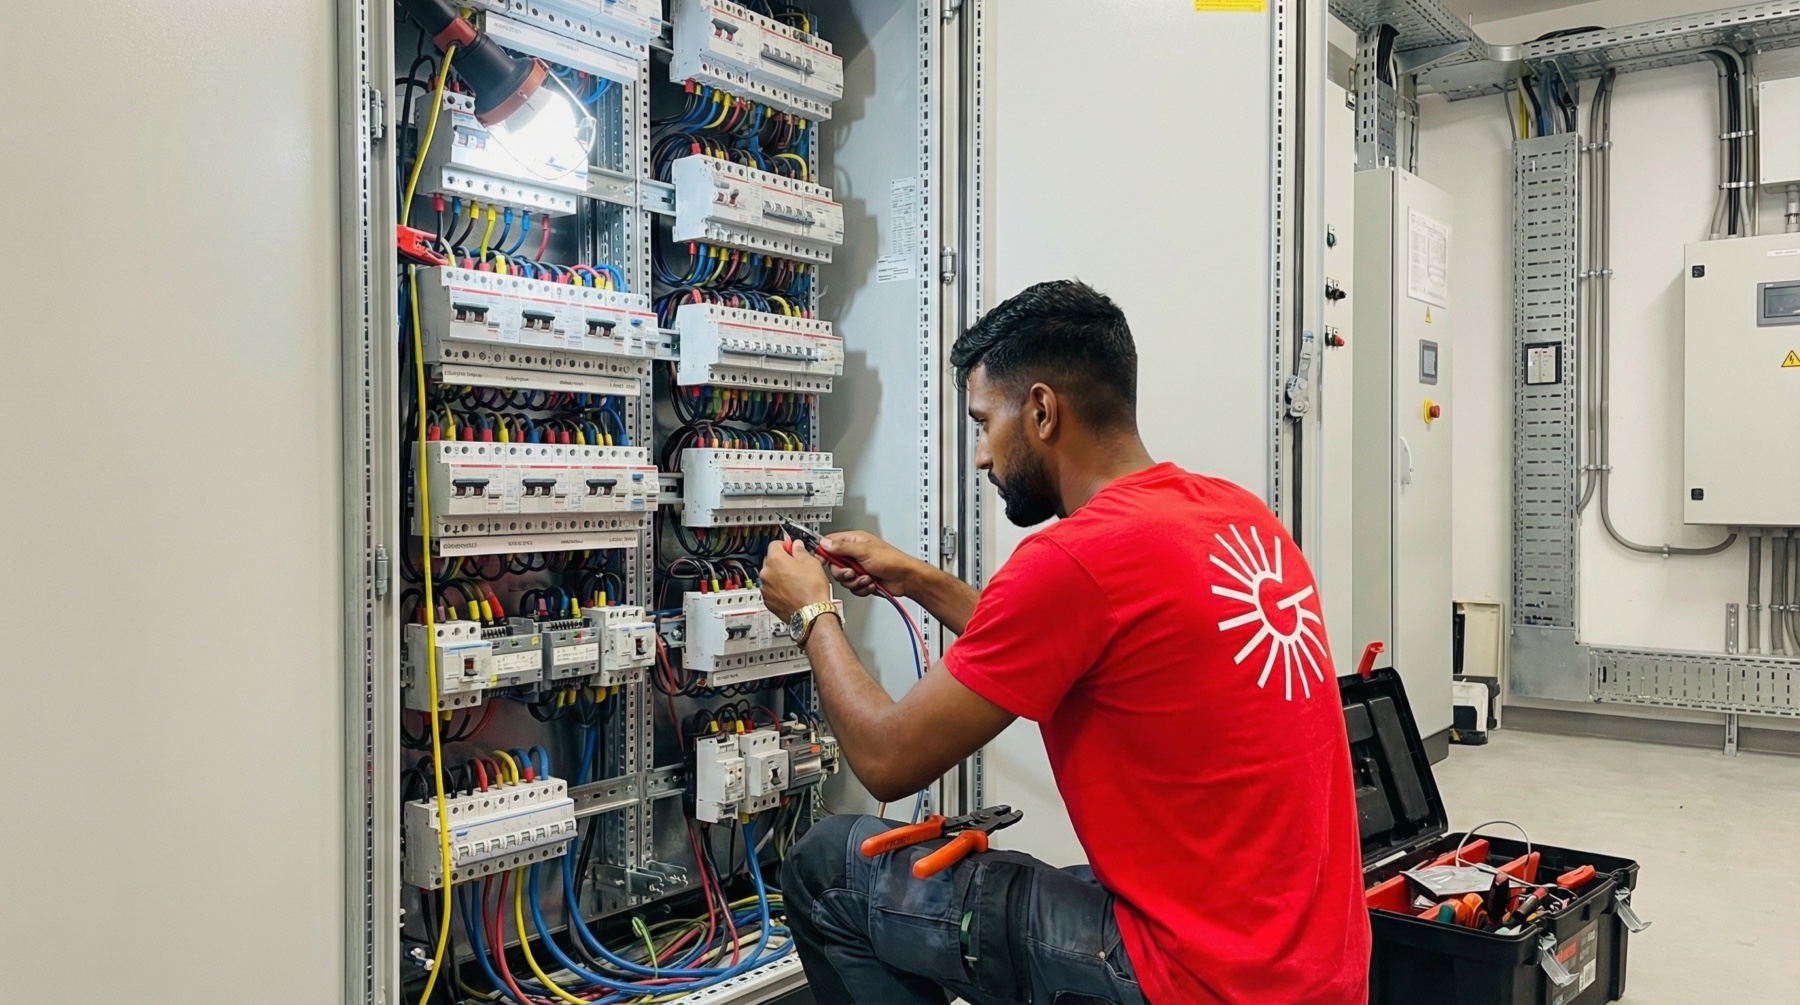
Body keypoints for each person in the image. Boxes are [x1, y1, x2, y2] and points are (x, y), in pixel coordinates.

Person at [758, 280, 1370, 1005]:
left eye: (985, 422)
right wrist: (918, 578)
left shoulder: (1074, 559)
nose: (982, 455)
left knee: (830, 866)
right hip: (1316, 971)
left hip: (1188, 980)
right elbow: (1068, 643)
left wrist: (813, 614)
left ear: (1043, 410)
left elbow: (887, 759)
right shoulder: (1235, 517)